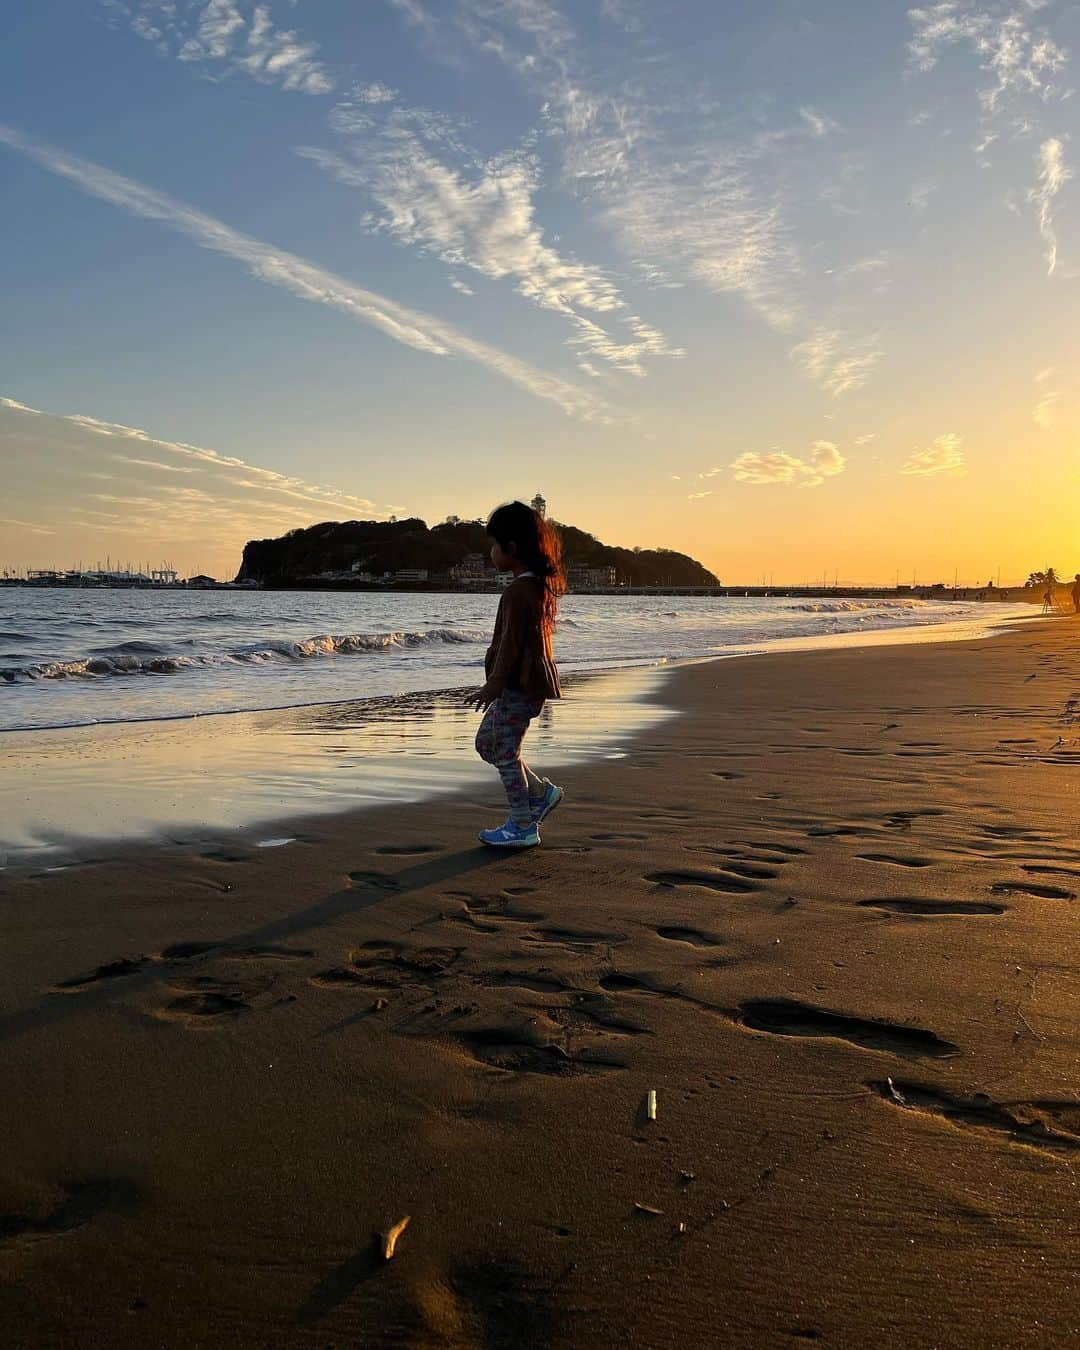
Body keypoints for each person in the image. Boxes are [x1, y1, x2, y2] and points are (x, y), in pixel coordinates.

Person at [467, 501, 564, 848]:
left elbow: (511, 646)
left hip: (516, 686)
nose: (491, 553)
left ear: (511, 549)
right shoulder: (533, 588)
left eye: (494, 546)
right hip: (523, 685)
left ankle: (522, 825)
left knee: (505, 751)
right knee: (487, 743)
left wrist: (492, 686)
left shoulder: (519, 592)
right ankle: (540, 793)